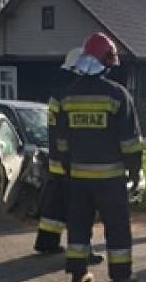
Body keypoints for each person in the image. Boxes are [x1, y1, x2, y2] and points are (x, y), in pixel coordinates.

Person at [54, 32, 143, 282]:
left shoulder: (66, 96)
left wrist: (69, 169)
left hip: (79, 178)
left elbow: (61, 141)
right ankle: (121, 276)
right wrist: (135, 172)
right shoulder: (117, 95)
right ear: (107, 62)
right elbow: (131, 142)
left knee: (78, 227)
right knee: (117, 228)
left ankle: (77, 275)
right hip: (110, 178)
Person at [33, 47, 103, 265]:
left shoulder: (58, 89)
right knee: (81, 208)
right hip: (73, 160)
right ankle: (83, 251)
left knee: (56, 204)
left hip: (57, 158)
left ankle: (47, 242)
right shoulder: (73, 90)